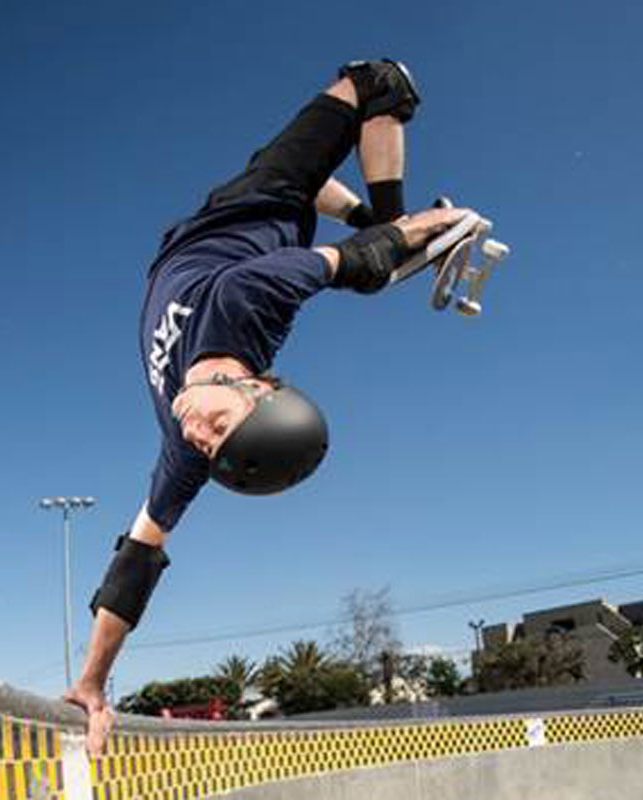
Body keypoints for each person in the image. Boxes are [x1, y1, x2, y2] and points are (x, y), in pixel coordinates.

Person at [62, 60, 470, 752]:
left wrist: (93, 682)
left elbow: (136, 561)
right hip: (261, 205)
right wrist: (424, 229)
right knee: (377, 87)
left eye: (206, 442)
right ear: (259, 385)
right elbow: (358, 265)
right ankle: (398, 211)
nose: (195, 427)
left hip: (197, 235)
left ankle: (374, 216)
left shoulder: (183, 451)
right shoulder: (251, 301)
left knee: (317, 192)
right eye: (218, 423)